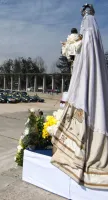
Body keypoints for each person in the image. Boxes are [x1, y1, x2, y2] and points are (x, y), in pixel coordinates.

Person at [51, 4, 108, 189]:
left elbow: (82, 52)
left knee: (87, 104)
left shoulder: (89, 34)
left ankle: (82, 155)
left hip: (86, 74)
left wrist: (71, 47)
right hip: (87, 71)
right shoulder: (93, 35)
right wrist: (70, 47)